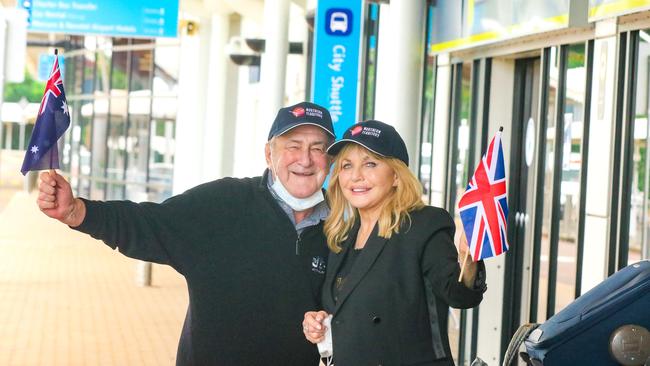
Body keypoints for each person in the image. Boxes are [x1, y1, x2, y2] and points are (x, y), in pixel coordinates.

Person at [36, 102, 335, 365]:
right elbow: (147, 223)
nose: (305, 159)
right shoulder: (224, 203)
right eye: (293, 146)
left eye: (317, 148)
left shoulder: (341, 230)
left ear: (330, 161)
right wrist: (77, 212)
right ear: (269, 154)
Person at [302, 120, 487, 366]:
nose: (356, 176)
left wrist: (468, 257)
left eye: (370, 164)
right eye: (347, 165)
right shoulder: (341, 235)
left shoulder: (424, 224)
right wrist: (318, 322)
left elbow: (459, 296)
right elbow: (346, 311)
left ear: (396, 176)